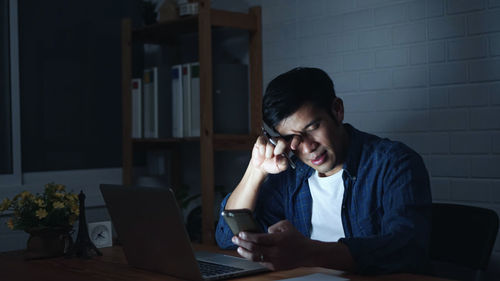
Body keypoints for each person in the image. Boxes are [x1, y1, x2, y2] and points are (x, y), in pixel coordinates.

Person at [215, 67, 432, 274]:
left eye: (313, 128)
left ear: (337, 110)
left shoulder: (394, 163)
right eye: (292, 138)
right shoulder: (291, 177)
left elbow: (408, 250)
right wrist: (256, 171)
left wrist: (309, 253)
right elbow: (227, 236)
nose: (308, 147)